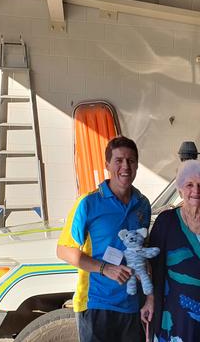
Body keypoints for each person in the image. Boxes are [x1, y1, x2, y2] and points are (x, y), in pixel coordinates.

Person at [56, 136, 151, 342]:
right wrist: (105, 268)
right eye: (119, 160)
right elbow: (63, 250)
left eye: (131, 160)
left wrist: (150, 297)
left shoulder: (143, 204)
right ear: (107, 164)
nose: (125, 166)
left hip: (132, 306)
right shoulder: (88, 203)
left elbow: (143, 252)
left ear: (136, 165)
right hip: (96, 304)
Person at [141, 160, 200, 342]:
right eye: (189, 185)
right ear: (180, 189)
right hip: (172, 317)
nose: (196, 191)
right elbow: (151, 267)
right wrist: (149, 299)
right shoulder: (166, 221)